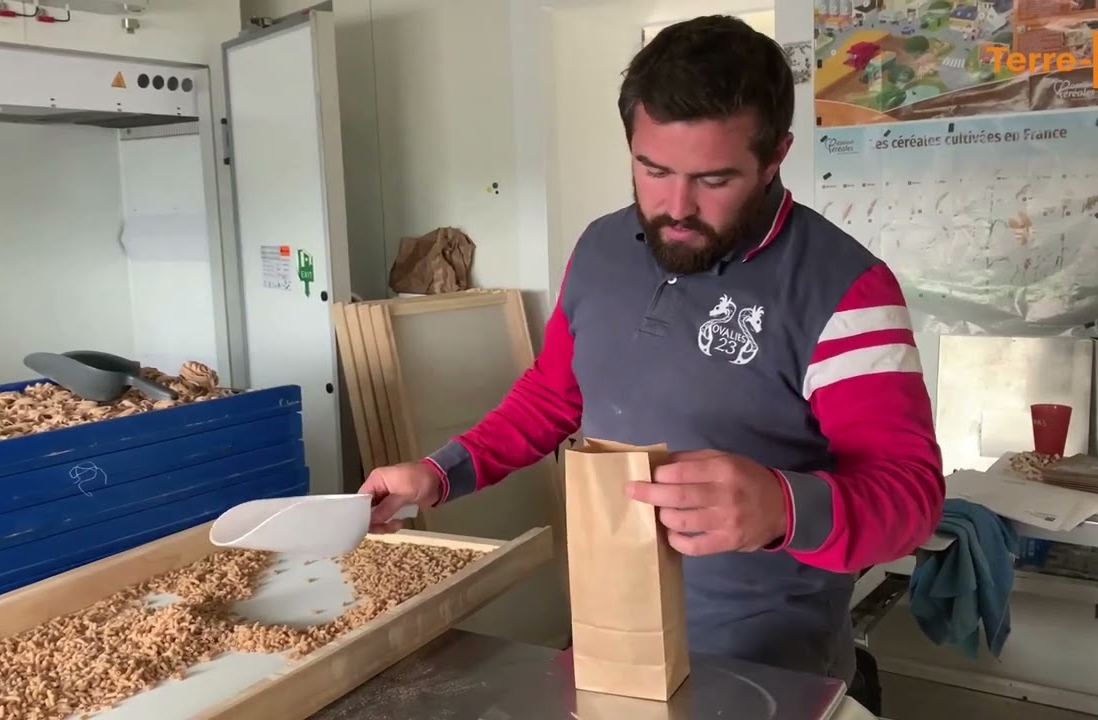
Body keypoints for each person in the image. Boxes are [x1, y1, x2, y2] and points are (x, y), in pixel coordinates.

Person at [359, 14, 944, 693]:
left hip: (768, 668)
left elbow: (911, 497)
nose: (676, 207)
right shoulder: (600, 250)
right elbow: (553, 397)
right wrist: (440, 472)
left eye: (714, 179)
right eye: (653, 169)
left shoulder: (846, 289)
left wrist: (783, 506)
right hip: (607, 636)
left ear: (775, 156)